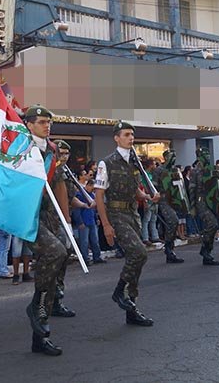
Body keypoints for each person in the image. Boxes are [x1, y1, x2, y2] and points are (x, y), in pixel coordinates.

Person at [95, 121, 157, 327]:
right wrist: (106, 225)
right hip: (116, 214)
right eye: (127, 134)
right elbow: (99, 194)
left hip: (132, 214)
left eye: (132, 135)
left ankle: (132, 308)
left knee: (136, 261)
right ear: (116, 138)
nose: (131, 138)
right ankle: (119, 291)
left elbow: (135, 190)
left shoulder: (135, 162)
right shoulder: (107, 163)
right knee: (139, 253)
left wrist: (147, 197)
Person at [20, 105, 69, 356]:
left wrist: (66, 221)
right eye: (40, 121)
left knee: (57, 261)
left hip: (48, 215)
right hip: (25, 215)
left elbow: (58, 185)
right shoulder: (19, 147)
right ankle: (37, 303)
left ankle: (40, 336)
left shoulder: (52, 150)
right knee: (55, 252)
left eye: (48, 122)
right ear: (28, 124)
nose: (46, 125)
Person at [51, 140, 84, 318]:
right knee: (53, 258)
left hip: (63, 220)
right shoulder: (51, 170)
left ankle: (56, 299)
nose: (63, 157)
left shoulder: (65, 172)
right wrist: (67, 219)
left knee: (63, 257)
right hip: (50, 220)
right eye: (60, 153)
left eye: (66, 154)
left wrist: (86, 205)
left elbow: (70, 197)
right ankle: (44, 300)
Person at [152, 149, 186, 263]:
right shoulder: (158, 170)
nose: (174, 159)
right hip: (163, 199)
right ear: (166, 157)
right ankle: (168, 248)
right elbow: (154, 187)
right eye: (172, 156)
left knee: (174, 223)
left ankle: (170, 250)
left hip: (174, 199)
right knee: (173, 221)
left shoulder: (174, 170)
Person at [189, 147, 219, 266]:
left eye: (208, 153)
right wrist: (192, 206)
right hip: (200, 200)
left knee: (214, 225)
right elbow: (191, 189)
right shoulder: (195, 171)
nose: (208, 155)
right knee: (212, 224)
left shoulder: (210, 169)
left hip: (211, 200)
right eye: (205, 154)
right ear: (199, 156)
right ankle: (205, 250)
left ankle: (207, 252)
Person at [77, 179, 104, 265]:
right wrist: (80, 221)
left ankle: (97, 256)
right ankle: (85, 259)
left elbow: (94, 209)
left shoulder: (92, 195)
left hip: (92, 220)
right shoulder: (80, 195)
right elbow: (76, 210)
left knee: (95, 240)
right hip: (84, 221)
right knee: (84, 242)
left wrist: (96, 218)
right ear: (88, 185)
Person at [140, 158, 161, 245]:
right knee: (146, 220)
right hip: (149, 199)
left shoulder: (152, 175)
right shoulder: (144, 175)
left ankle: (155, 236)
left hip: (155, 198)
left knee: (153, 219)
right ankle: (145, 237)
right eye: (154, 164)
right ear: (150, 165)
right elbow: (144, 187)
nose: (155, 166)